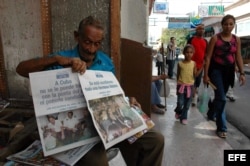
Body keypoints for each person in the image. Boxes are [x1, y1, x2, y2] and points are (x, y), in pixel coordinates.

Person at [16, 15, 164, 166]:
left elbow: (112, 95)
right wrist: (56, 60)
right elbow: (21, 69)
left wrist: (127, 100)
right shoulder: (61, 60)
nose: (91, 49)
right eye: (87, 42)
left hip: (107, 125)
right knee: (97, 163)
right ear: (76, 36)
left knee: (155, 140)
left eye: (97, 43)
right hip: (84, 134)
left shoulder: (106, 63)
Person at [203, 14, 246, 138]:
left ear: (234, 25)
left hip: (229, 72)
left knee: (220, 97)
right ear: (222, 25)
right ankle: (222, 127)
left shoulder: (236, 39)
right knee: (222, 98)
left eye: (231, 24)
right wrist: (206, 75)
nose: (228, 26)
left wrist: (242, 73)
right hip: (216, 70)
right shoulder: (215, 39)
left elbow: (238, 56)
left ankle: (211, 112)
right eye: (226, 24)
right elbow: (208, 57)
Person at [174, 44, 197, 125]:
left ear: (193, 53)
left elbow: (195, 76)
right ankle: (178, 111)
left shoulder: (194, 64)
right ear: (184, 53)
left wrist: (194, 89)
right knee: (180, 103)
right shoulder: (180, 64)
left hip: (190, 86)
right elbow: (178, 75)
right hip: (181, 86)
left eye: (191, 52)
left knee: (187, 104)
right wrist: (177, 87)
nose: (189, 54)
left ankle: (184, 117)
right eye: (187, 52)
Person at [187, 24, 208, 107]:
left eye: (203, 29)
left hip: (200, 66)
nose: (201, 30)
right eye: (199, 29)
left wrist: (205, 63)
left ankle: (194, 97)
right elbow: (186, 50)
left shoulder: (205, 41)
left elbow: (206, 54)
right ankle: (192, 96)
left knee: (197, 83)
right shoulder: (191, 39)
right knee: (190, 81)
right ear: (196, 30)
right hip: (190, 65)